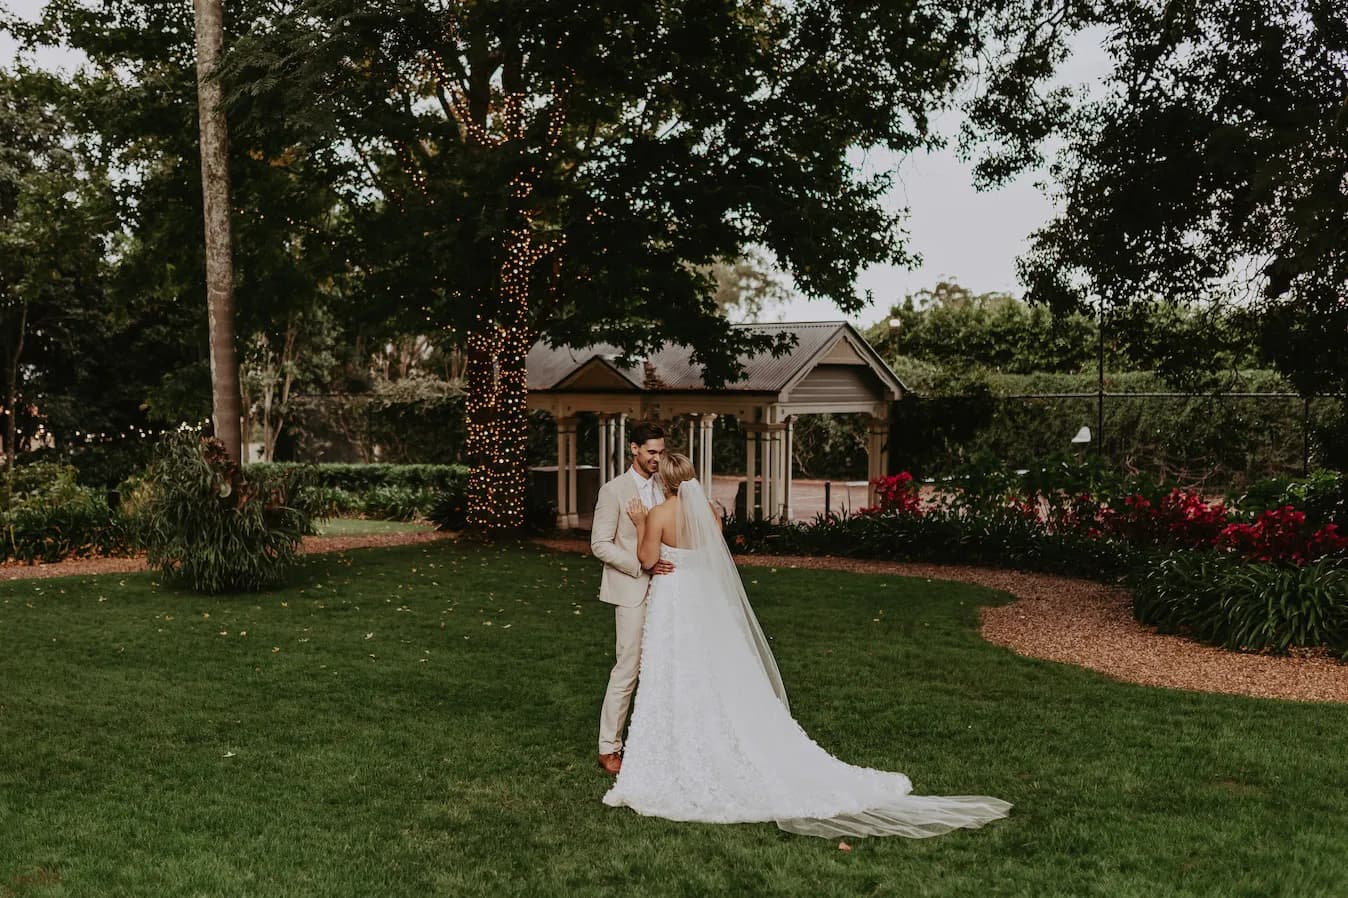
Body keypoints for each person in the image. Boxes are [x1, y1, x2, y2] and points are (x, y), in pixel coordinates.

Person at [603, 452, 1012, 839]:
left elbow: (646, 557)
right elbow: (713, 552)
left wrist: (640, 524)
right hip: (705, 600)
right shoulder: (708, 512)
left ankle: (681, 745)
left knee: (675, 669)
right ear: (690, 478)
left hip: (675, 600)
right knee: (715, 668)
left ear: (664, 481)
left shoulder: (657, 513)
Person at [590, 420, 675, 776]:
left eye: (661, 452)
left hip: (669, 592)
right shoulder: (614, 491)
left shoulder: (668, 486)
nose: (657, 458)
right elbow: (599, 545)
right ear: (634, 449)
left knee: (665, 665)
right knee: (628, 668)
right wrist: (643, 566)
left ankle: (658, 740)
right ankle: (609, 747)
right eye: (651, 451)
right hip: (631, 591)